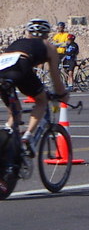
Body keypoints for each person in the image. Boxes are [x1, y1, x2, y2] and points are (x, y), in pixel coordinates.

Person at [2, 19, 69, 159]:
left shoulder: (18, 42)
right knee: (41, 101)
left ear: (28, 33)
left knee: (15, 114)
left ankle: (5, 139)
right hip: (20, 67)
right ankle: (28, 137)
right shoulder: (48, 46)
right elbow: (55, 76)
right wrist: (61, 94)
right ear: (47, 34)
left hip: (1, 69)